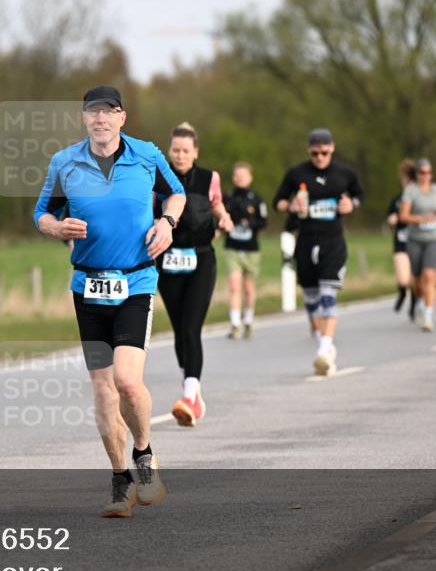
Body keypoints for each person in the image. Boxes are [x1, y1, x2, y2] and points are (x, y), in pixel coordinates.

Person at [34, 86, 185, 518]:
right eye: (93, 112)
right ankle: (120, 481)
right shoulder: (66, 163)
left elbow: (176, 194)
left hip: (136, 280)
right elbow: (41, 212)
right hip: (88, 286)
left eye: (109, 111)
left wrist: (169, 222)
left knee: (127, 382)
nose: (101, 118)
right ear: (84, 119)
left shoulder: (147, 155)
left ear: (122, 117)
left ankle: (143, 453)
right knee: (102, 390)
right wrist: (54, 228)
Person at [156, 123, 232, 428]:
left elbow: (217, 206)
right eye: (175, 150)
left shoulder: (209, 178)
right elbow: (147, 211)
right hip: (168, 261)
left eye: (186, 150)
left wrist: (225, 219)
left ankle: (190, 397)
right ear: (169, 150)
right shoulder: (158, 177)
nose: (180, 155)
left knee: (191, 327)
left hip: (201, 259)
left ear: (195, 152)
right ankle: (192, 386)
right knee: (179, 332)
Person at [273, 128, 364, 376]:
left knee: (327, 295)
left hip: (333, 242)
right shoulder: (297, 173)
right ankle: (322, 338)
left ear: (332, 148)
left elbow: (359, 195)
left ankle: (325, 349)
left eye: (324, 152)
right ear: (309, 151)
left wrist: (351, 204)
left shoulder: (345, 173)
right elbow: (278, 202)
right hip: (305, 242)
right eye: (315, 153)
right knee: (312, 302)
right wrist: (291, 205)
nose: (320, 157)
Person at [399, 159, 436, 332]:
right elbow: (403, 216)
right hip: (415, 239)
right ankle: (420, 301)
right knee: (418, 280)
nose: (425, 175)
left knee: (429, 275)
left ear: (431, 174)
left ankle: (428, 316)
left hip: (435, 238)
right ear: (417, 174)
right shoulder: (411, 191)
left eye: (428, 172)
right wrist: (421, 219)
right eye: (422, 172)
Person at [224, 161, 268, 340]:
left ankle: (248, 319)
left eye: (243, 176)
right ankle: (235, 324)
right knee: (234, 286)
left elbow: (263, 222)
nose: (240, 179)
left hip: (251, 249)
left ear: (250, 178)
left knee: (249, 288)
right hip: (232, 248)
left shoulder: (257, 199)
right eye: (237, 175)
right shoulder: (228, 198)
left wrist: (250, 224)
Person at [387, 159, 415, 318]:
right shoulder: (396, 200)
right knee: (403, 278)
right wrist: (392, 220)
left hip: (417, 241)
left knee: (415, 279)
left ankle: (414, 302)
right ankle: (403, 293)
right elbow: (390, 219)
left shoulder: (419, 198)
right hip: (401, 241)